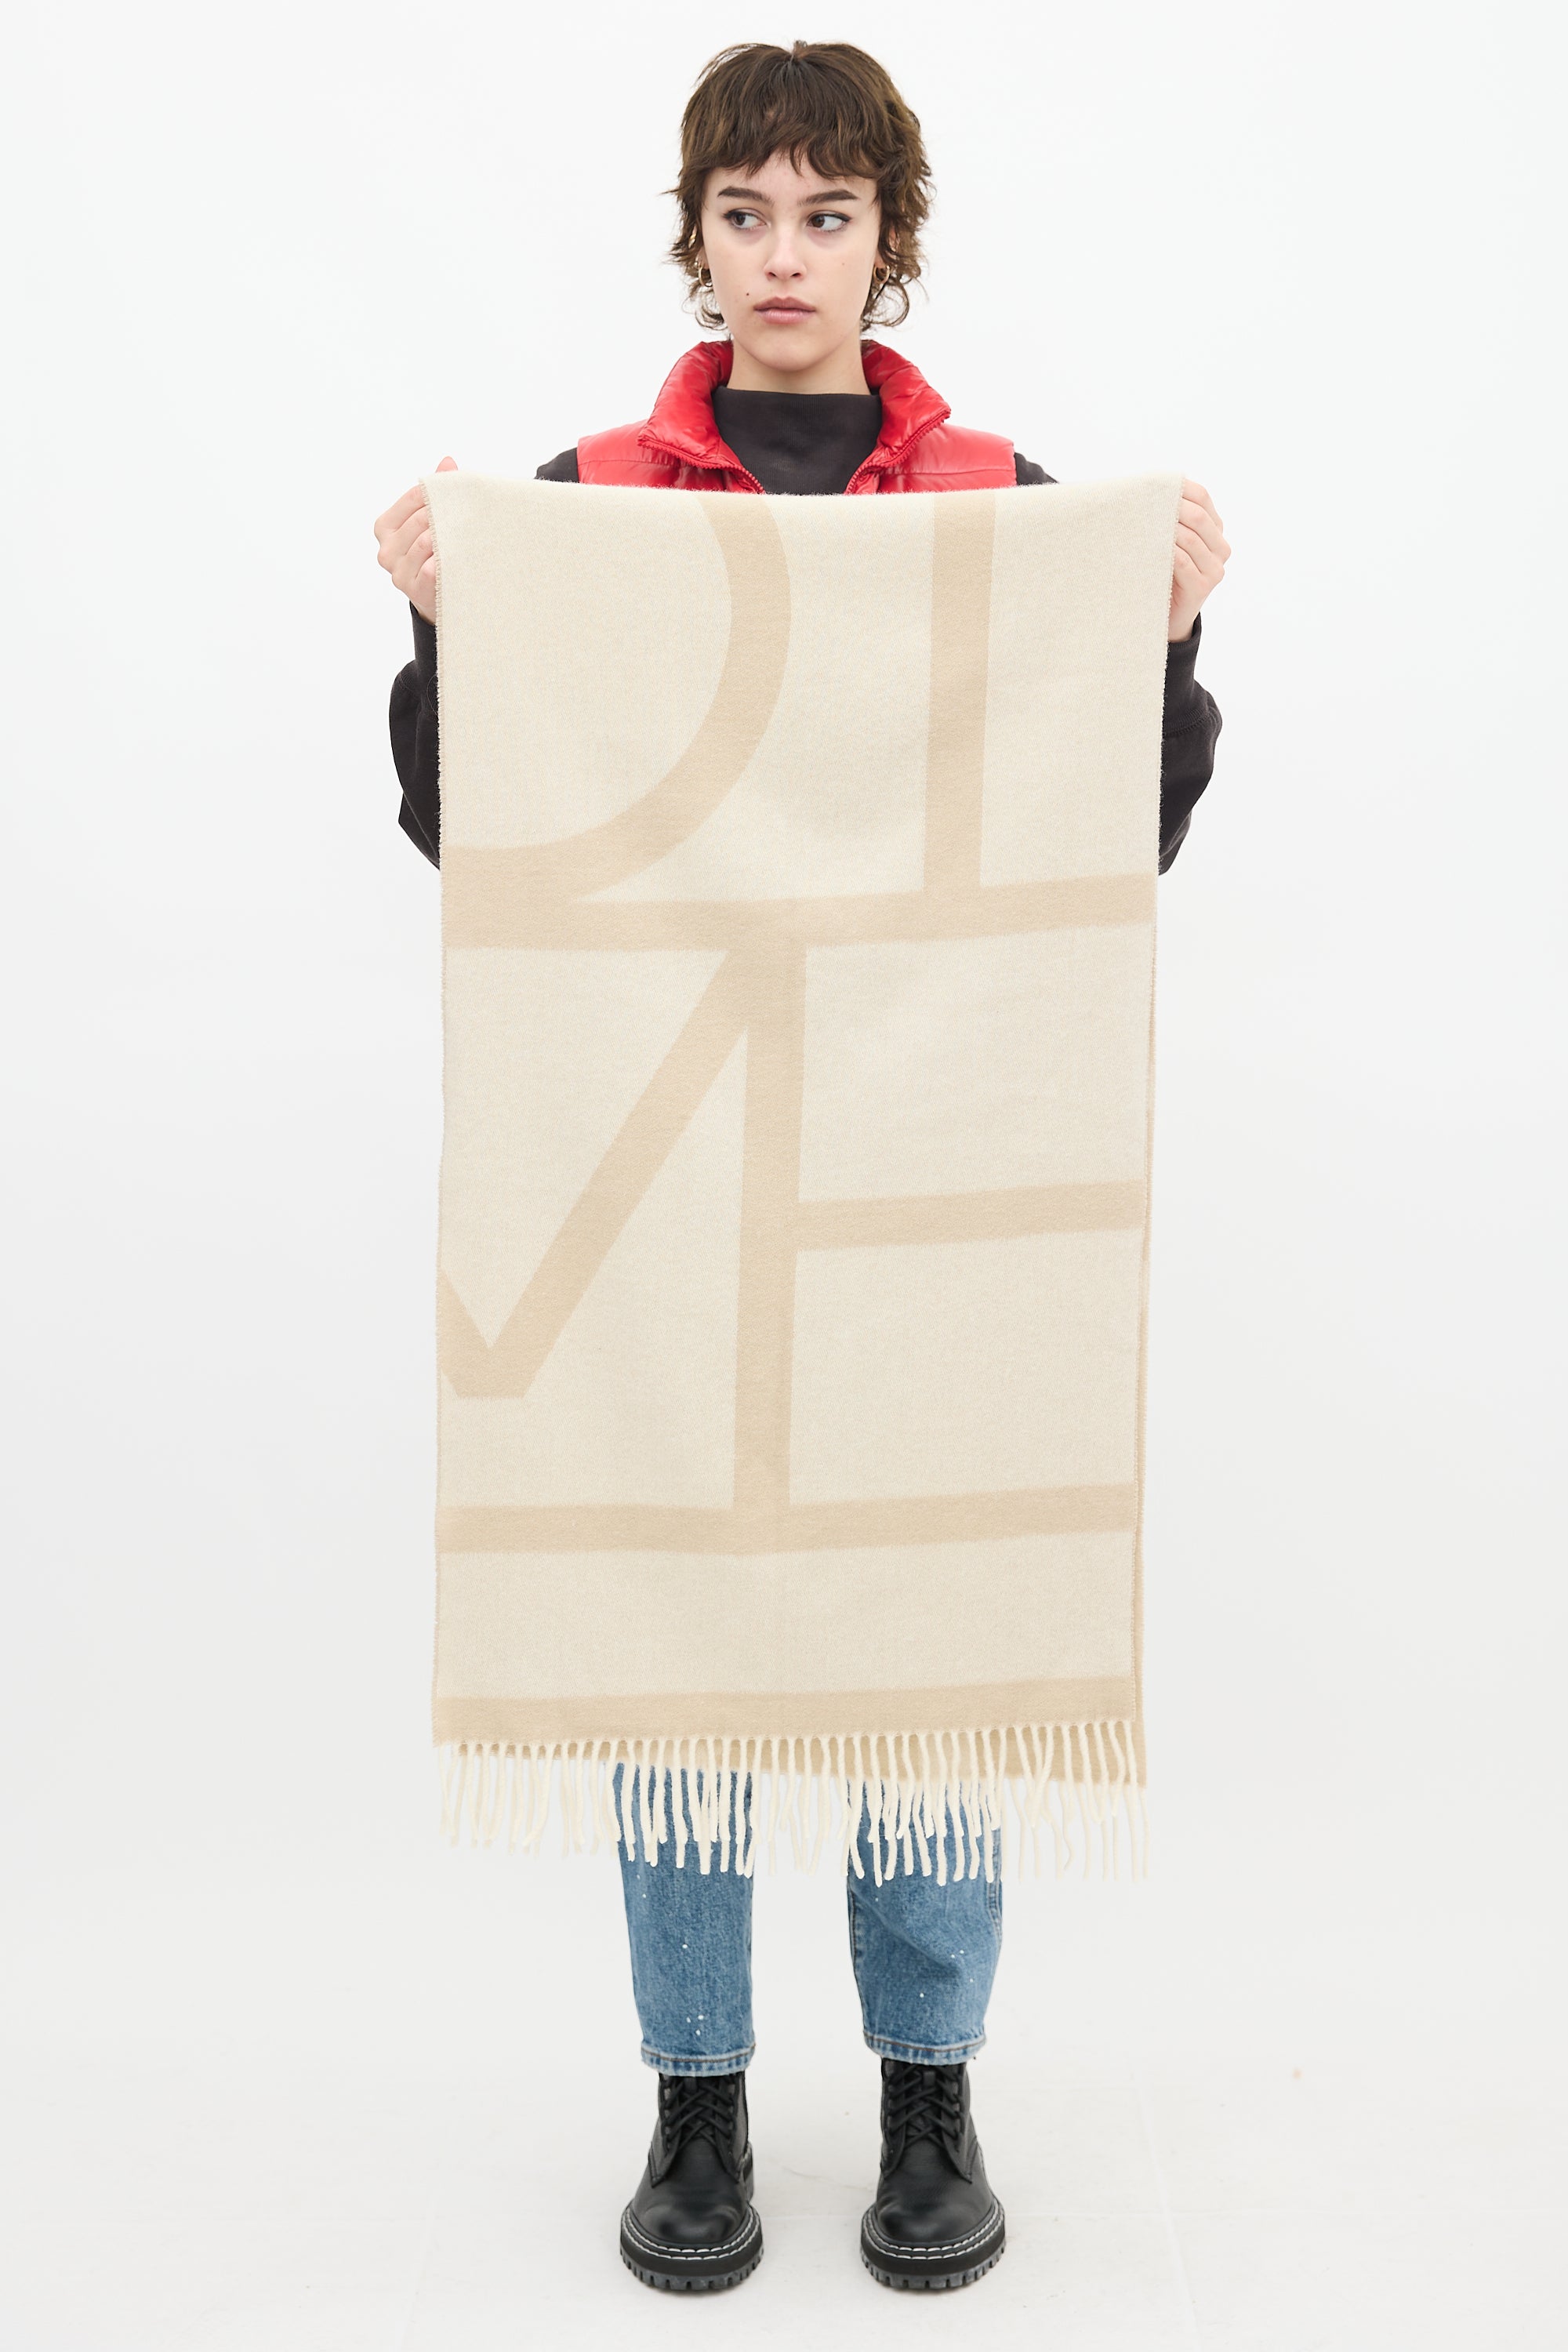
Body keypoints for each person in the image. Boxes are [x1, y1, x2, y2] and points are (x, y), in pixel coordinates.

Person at [373, 38, 1229, 2298]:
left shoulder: (1003, 505)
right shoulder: (588, 501)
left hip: (931, 1155)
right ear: (696, 236)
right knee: (677, 1634)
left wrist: (1161, 638)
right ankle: (698, 2100)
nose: (785, 257)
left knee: (936, 1628)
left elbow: (1115, 840)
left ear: (885, 240)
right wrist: (447, 618)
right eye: (746, 214)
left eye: (827, 217)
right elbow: (481, 835)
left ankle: (932, 2092)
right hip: (668, 1167)